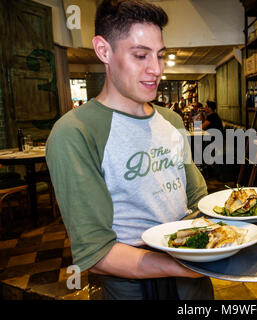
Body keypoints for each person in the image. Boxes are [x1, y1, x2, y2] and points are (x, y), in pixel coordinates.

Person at [46, 0, 213, 300]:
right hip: (136, 288)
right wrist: (186, 265)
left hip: (195, 286)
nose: (156, 69)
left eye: (160, 55)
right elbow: (96, 252)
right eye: (140, 55)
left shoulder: (172, 120)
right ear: (103, 51)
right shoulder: (75, 132)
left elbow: (198, 199)